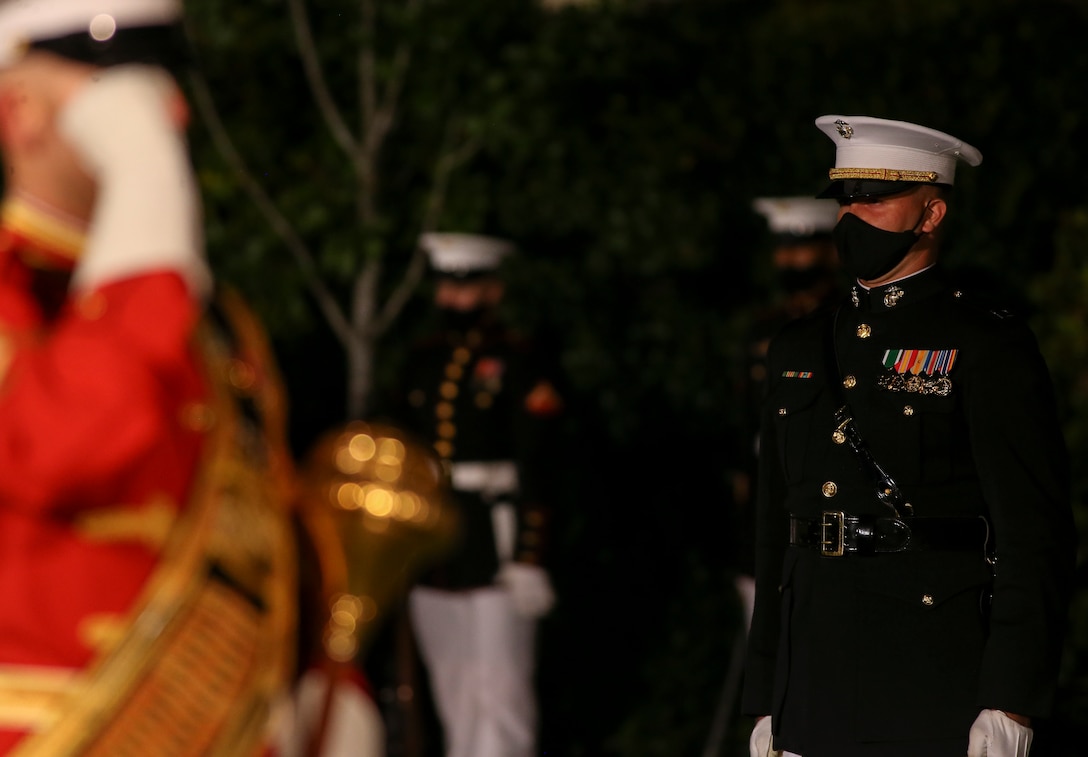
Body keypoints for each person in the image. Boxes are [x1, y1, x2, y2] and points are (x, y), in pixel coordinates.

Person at [0, 3, 390, 754]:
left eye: (160, 95)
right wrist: (148, 216)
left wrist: (319, 686)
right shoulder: (31, 290)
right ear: (22, 116)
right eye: (117, 102)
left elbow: (257, 523)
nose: (164, 119)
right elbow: (67, 449)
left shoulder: (213, 322)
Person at [742, 115, 1075, 757]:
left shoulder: (983, 343)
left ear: (931, 214)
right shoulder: (798, 346)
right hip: (812, 681)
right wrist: (765, 694)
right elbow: (774, 537)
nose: (853, 217)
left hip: (928, 675)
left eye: (876, 198)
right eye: (846, 199)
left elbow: (1035, 535)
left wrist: (1011, 699)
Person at [386, 232, 563, 757]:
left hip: (496, 540)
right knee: (454, 685)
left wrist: (531, 554)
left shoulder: (517, 361)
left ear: (492, 290)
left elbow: (541, 461)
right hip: (440, 542)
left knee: (501, 688)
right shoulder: (422, 360)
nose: (453, 298)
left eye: (466, 287)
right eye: (447, 286)